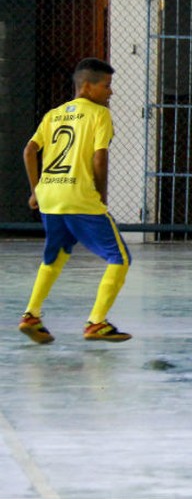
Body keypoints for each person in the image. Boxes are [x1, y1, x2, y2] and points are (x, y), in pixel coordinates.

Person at [19, 58, 132, 344]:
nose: (110, 92)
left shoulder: (53, 114)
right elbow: (100, 157)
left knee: (55, 256)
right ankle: (97, 322)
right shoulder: (99, 114)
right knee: (120, 259)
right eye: (106, 86)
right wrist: (101, 194)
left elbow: (30, 151)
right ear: (86, 86)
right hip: (79, 195)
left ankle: (31, 314)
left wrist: (35, 191)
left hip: (50, 195)